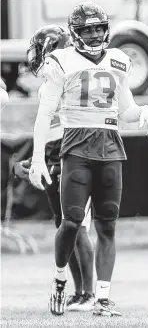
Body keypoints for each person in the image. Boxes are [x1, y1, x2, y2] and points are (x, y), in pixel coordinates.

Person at [28, 1, 148, 316]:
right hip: (75, 146)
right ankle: (61, 279)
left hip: (110, 146)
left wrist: (144, 111)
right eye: (88, 29)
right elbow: (45, 113)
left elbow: (125, 109)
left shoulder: (118, 60)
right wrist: (37, 157)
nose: (95, 34)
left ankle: (102, 298)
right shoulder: (60, 60)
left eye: (99, 28)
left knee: (107, 226)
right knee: (71, 222)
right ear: (75, 32)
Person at [13, 24, 95, 311]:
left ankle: (89, 293)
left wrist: (56, 157)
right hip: (56, 151)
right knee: (64, 225)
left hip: (71, 149)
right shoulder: (55, 76)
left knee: (76, 225)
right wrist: (38, 159)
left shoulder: (69, 74)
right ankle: (79, 291)